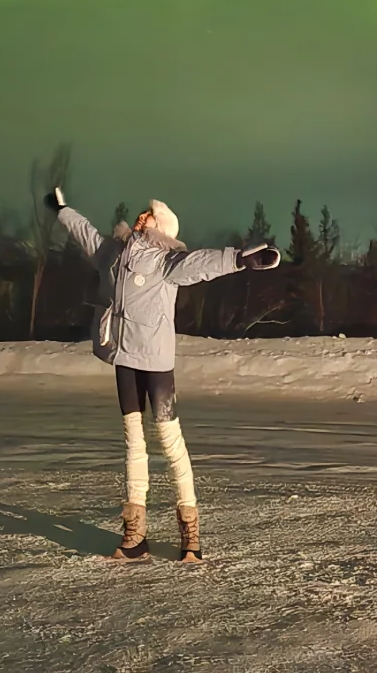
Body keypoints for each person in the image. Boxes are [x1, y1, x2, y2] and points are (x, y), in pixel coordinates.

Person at [44, 187, 280, 562]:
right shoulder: (114, 253)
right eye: (143, 213)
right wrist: (61, 210)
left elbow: (202, 264)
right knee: (133, 442)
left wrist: (241, 259)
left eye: (150, 216)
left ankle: (190, 535)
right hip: (123, 358)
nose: (142, 217)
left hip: (155, 363)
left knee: (171, 443)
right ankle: (134, 535)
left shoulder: (166, 260)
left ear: (162, 228)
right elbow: (85, 233)